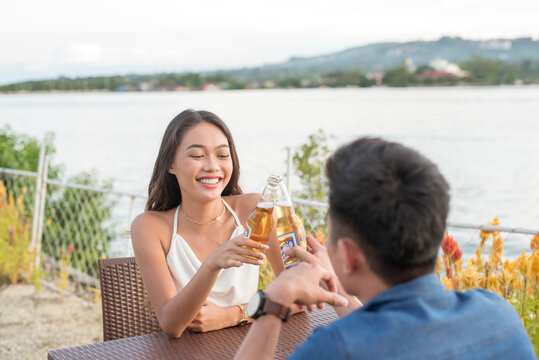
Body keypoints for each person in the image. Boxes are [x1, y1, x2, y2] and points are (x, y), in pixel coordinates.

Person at [236, 137, 535, 359]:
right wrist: (340, 289)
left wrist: (275, 299)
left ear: (350, 255)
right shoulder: (496, 313)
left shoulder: (332, 348)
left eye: (330, 233)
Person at [131, 109, 284, 338]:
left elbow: (301, 292)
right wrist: (212, 264)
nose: (213, 166)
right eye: (197, 156)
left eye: (222, 155)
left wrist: (235, 315)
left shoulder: (256, 210)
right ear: (170, 164)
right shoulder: (149, 227)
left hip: (250, 347)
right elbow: (172, 324)